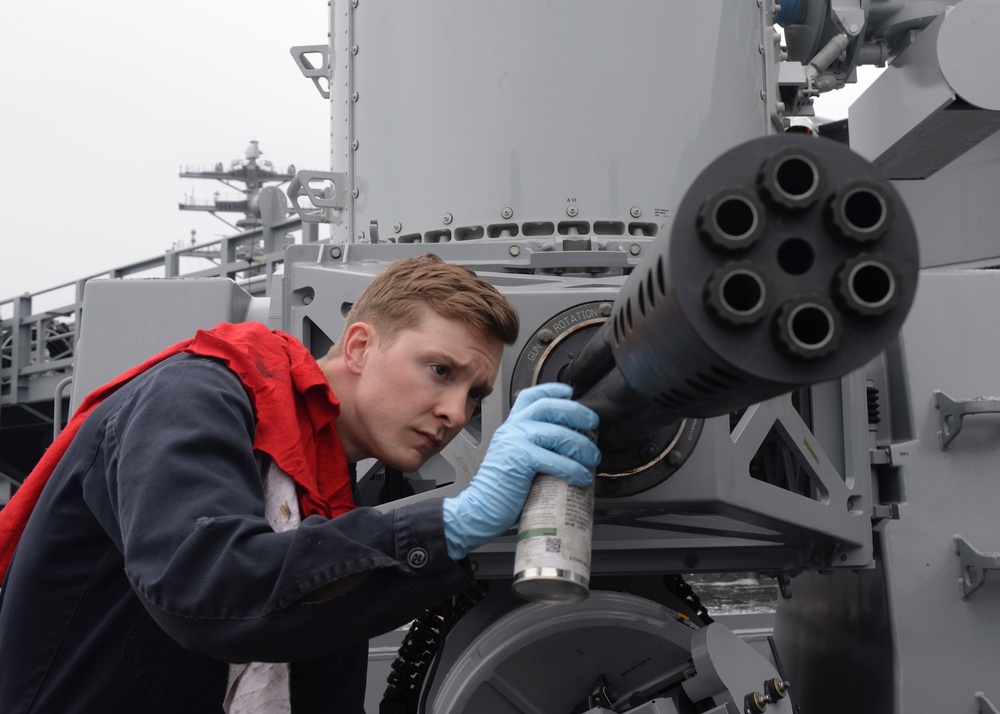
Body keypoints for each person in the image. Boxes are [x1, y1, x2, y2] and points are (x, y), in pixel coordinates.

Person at [0, 253, 601, 714]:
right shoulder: (195, 395)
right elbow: (206, 582)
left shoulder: (331, 491)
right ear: (361, 346)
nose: (454, 412)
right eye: (439, 370)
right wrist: (452, 521)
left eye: (474, 395)